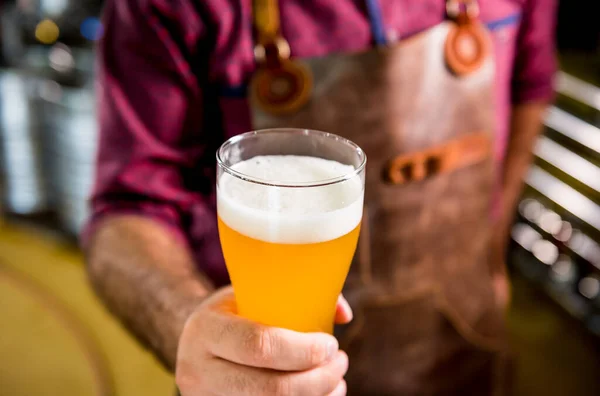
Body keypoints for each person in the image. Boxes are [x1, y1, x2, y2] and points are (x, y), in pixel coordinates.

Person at [84, 0, 557, 394]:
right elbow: (129, 207)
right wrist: (184, 324)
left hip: (462, 336)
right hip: (258, 376)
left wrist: (493, 243)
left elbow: (531, 86)